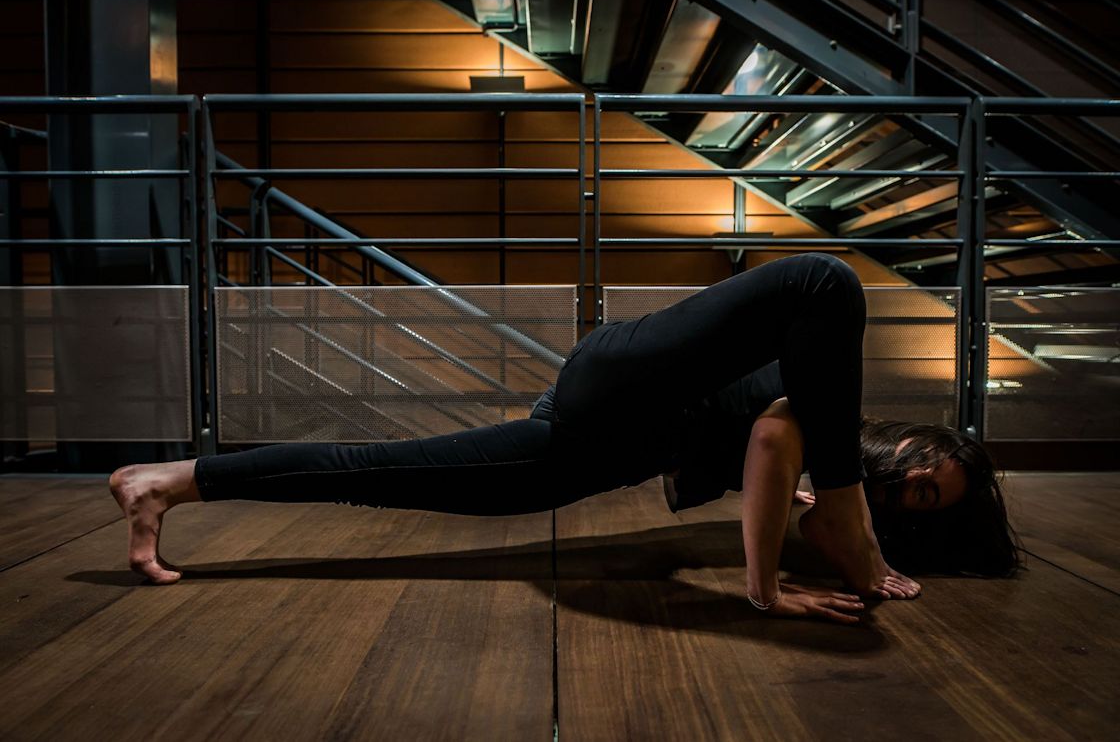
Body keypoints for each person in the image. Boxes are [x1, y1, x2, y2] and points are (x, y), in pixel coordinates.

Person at [109, 253, 1017, 624]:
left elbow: (769, 464)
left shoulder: (824, 461)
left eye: (919, 502)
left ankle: (168, 481)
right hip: (629, 381)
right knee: (827, 286)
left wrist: (817, 515)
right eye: (916, 473)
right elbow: (774, 438)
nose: (905, 487)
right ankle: (168, 479)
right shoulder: (829, 409)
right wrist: (770, 583)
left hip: (592, 443)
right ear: (907, 441)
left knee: (374, 472)